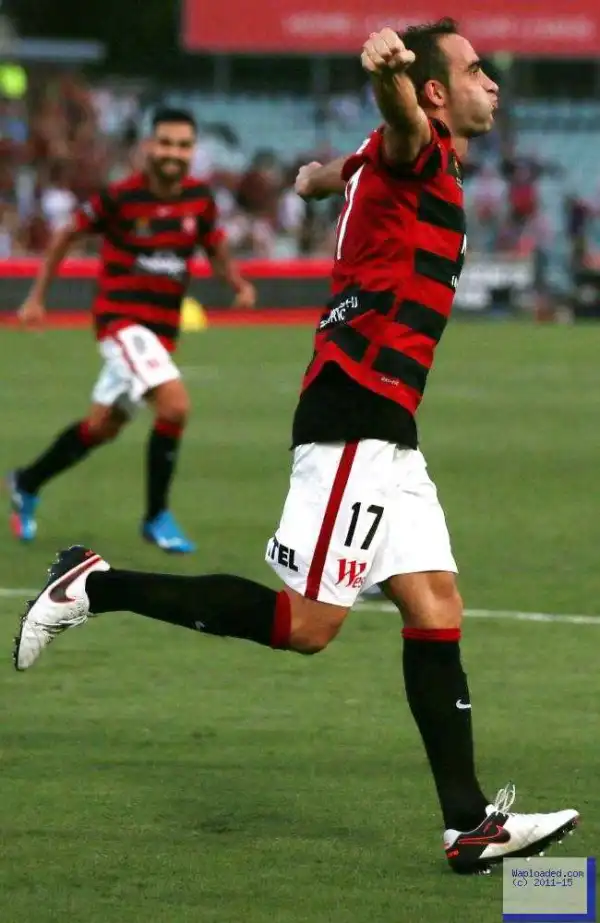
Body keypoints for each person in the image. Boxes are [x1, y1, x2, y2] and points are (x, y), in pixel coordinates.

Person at [14, 21, 578, 873]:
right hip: (357, 413)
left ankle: (469, 825)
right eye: (474, 70)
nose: (492, 83)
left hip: (392, 429)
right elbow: (393, 121)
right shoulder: (417, 145)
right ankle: (95, 584)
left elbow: (330, 172)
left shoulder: (393, 158)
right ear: (434, 94)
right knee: (308, 625)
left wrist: (324, 179)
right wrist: (386, 74)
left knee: (436, 608)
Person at [8, 107, 256, 553]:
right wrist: (37, 297)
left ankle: (26, 482)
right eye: (165, 143)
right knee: (175, 406)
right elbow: (67, 234)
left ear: (192, 151)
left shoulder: (199, 200)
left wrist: (235, 283)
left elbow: (214, 245)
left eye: (182, 145)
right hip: (121, 324)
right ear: (148, 147)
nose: (173, 153)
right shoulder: (121, 198)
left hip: (160, 333)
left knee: (100, 427)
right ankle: (156, 516)